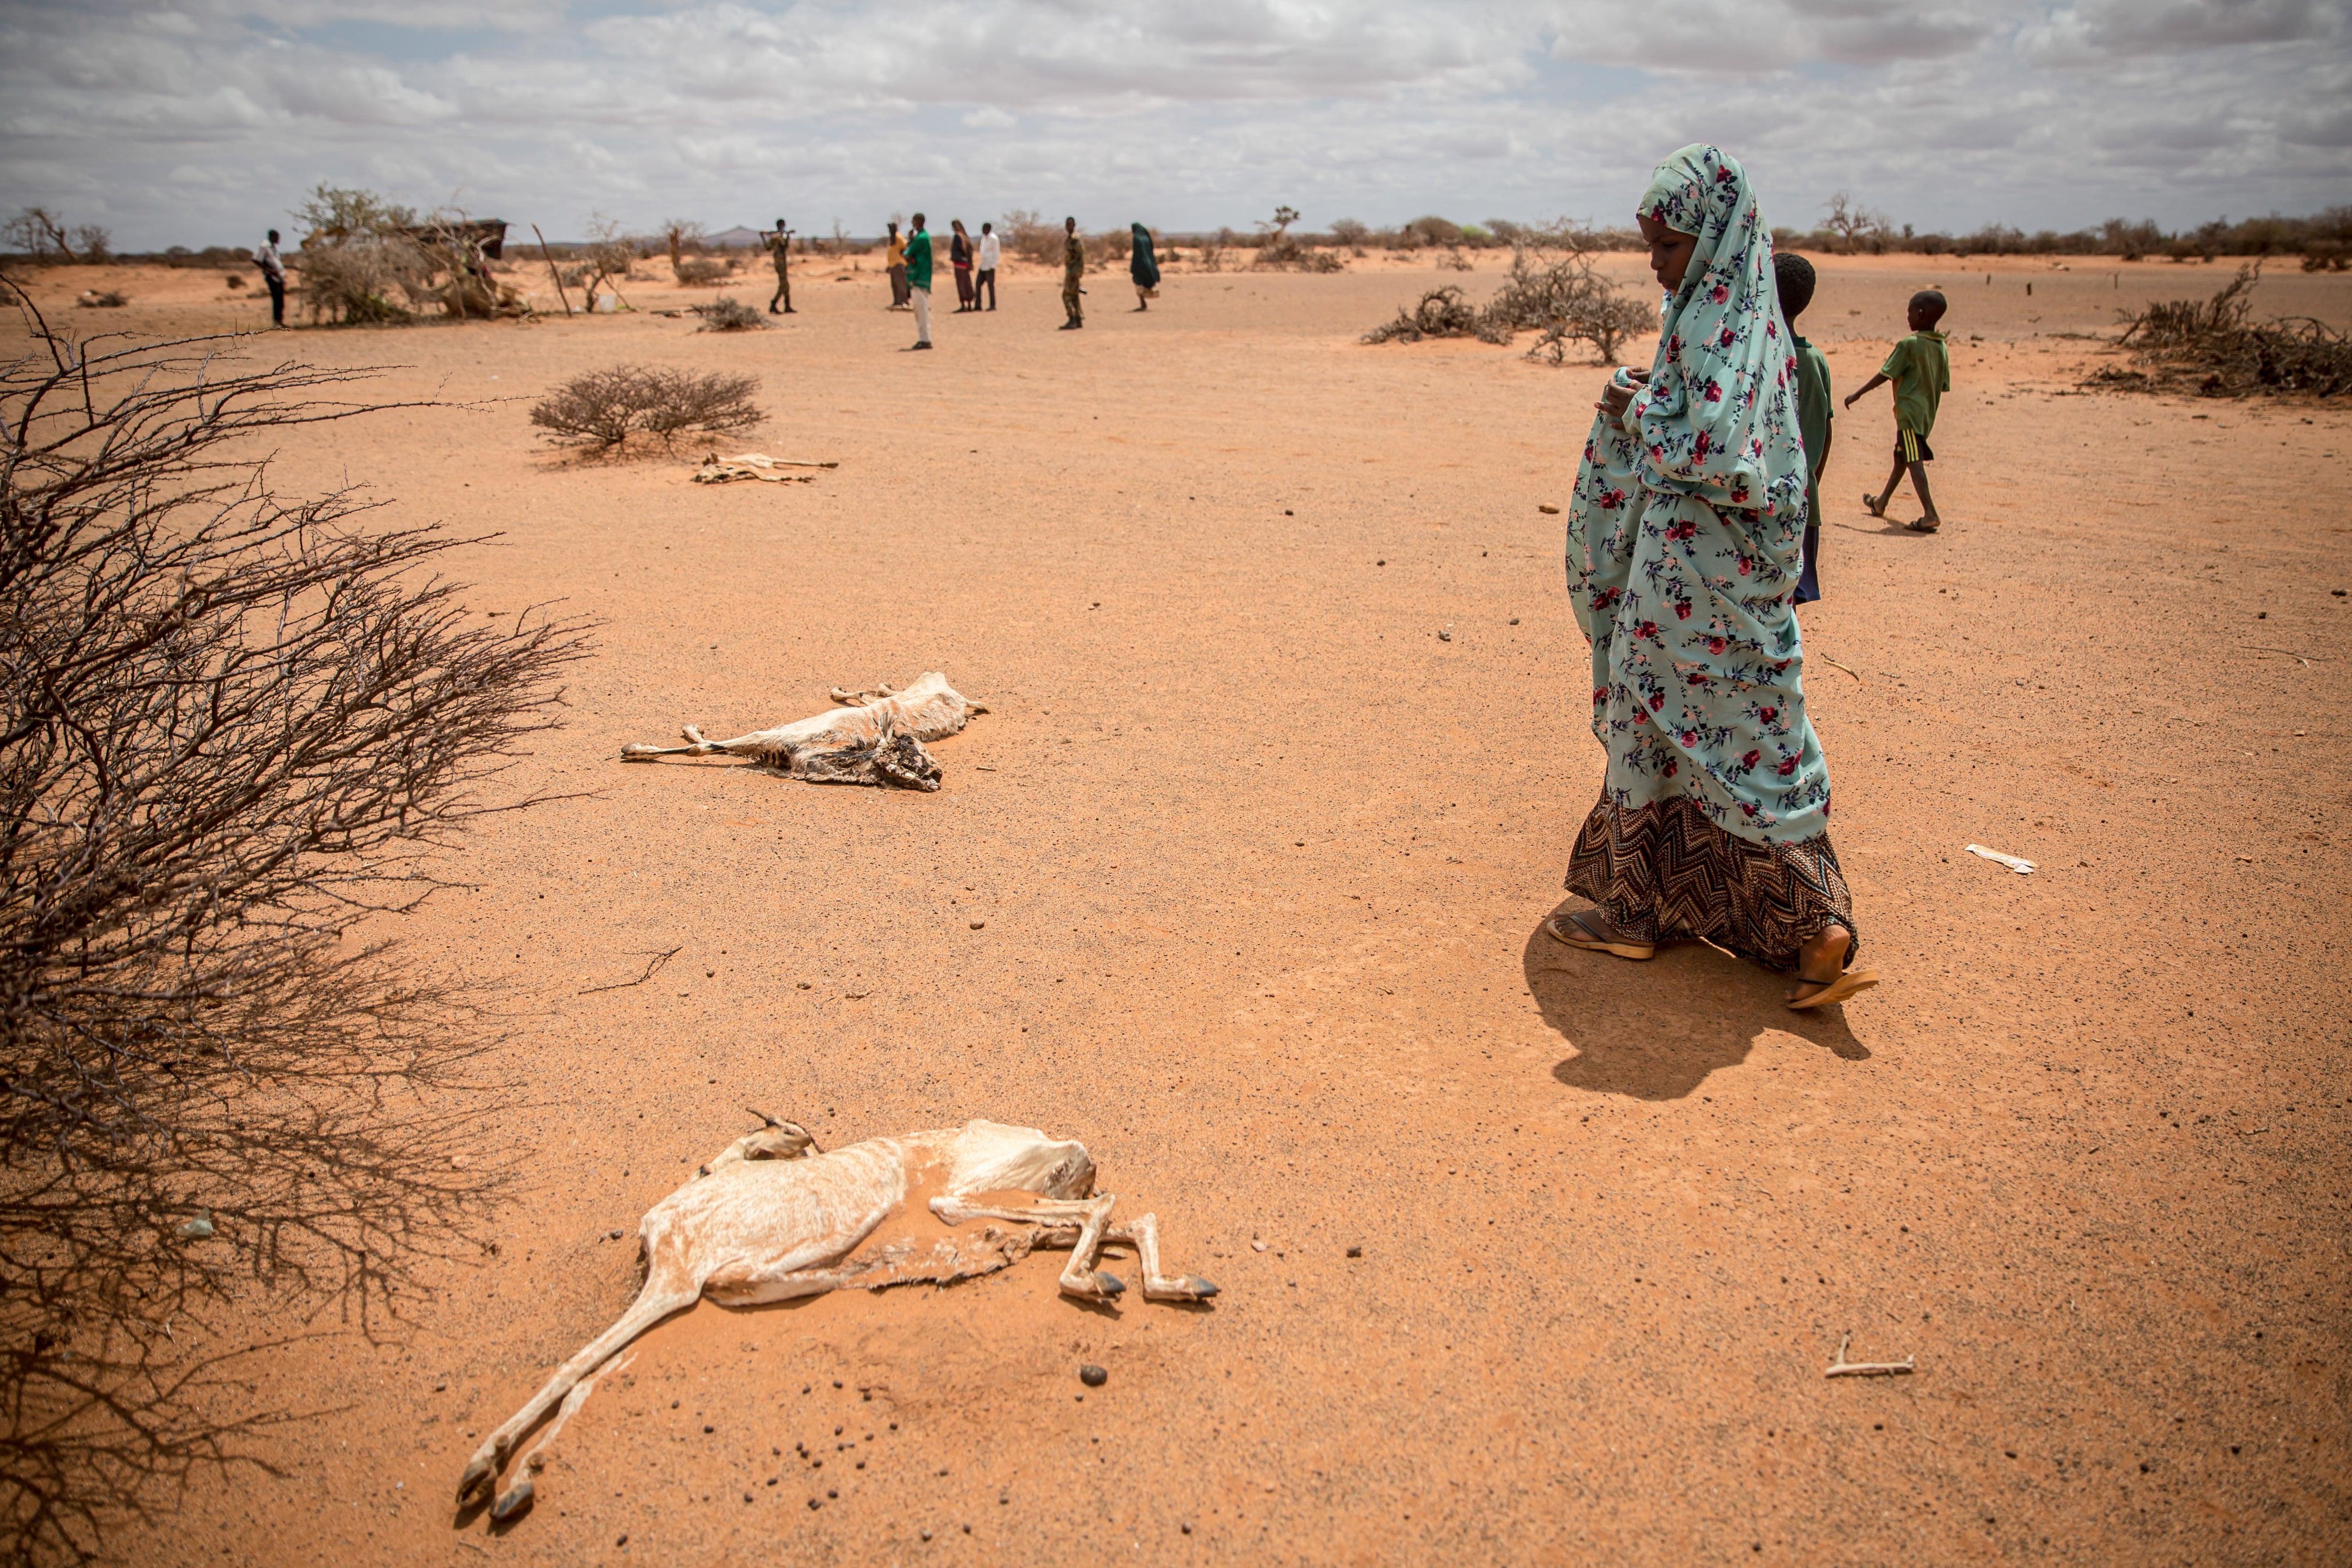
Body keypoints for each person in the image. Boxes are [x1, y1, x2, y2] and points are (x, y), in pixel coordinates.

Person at [1555, 143, 1875, 1011]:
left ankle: (1652, 911)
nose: (1656, 265)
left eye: (1667, 247)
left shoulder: (1716, 326)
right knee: (1746, 738)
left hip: (1693, 583)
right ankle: (1802, 926)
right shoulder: (1748, 325)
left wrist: (1637, 408)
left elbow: (1716, 450)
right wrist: (1653, 392)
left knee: (1671, 726)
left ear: (1715, 238)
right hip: (1722, 584)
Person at [1847, 291, 1950, 533]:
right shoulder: (1941, 346)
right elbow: (1943, 384)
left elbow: (1886, 373)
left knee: (1913, 461)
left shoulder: (1909, 345)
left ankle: (1930, 513)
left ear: (1920, 314)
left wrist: (1858, 393)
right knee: (1902, 457)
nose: (1908, 318)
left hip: (1909, 415)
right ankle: (1881, 502)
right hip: (1926, 415)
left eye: (1910, 313)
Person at [1775, 254, 1831, 604]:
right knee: (1792, 597)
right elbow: (1826, 435)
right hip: (1805, 495)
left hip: (1763, 500)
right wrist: (1811, 483)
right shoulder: (1816, 361)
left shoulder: (1763, 359)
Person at [905, 213, 934, 350]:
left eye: (914, 221)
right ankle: (924, 338)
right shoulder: (922, 237)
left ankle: (925, 339)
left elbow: (907, 254)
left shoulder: (921, 238)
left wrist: (910, 250)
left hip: (919, 276)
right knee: (920, 310)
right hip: (921, 277)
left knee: (921, 310)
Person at [253, 227, 286, 326]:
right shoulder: (264, 246)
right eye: (277, 237)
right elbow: (256, 260)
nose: (279, 239)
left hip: (279, 277)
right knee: (276, 299)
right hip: (272, 277)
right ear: (272, 237)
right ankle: (276, 323)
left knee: (280, 300)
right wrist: (270, 271)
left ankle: (279, 321)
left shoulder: (273, 248)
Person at [765, 217, 795, 315]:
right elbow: (785, 246)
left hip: (780, 262)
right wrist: (788, 237)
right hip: (780, 263)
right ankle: (774, 304)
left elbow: (768, 247)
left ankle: (787, 306)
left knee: (786, 285)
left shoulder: (775, 236)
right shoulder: (778, 236)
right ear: (781, 225)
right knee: (784, 285)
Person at [1060, 216, 1085, 330]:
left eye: (1070, 225)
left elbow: (1080, 257)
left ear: (1074, 225)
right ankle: (1078, 320)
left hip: (1073, 272)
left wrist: (1077, 272)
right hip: (1071, 270)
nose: (1068, 227)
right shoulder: (1070, 238)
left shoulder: (1075, 238)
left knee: (1066, 295)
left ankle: (1072, 319)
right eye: (1067, 225)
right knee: (1074, 296)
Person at [1129, 222, 1160, 311]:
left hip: (1140, 264)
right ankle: (1144, 303)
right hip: (1150, 264)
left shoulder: (1137, 238)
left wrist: (1134, 266)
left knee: (1139, 283)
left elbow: (1137, 253)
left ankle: (1143, 303)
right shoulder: (1146, 238)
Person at [950, 219, 976, 312]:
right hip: (966, 263)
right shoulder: (965, 237)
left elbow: (963, 249)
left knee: (961, 283)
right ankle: (969, 304)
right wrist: (969, 262)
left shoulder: (958, 237)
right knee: (967, 283)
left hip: (959, 263)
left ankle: (964, 305)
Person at [885, 221, 910, 310]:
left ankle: (904, 301)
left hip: (899, 264)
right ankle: (897, 301)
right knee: (894, 284)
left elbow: (906, 246)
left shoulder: (899, 237)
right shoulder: (892, 238)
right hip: (892, 264)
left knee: (901, 284)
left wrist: (903, 254)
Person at [975, 222, 1000, 310]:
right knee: (978, 284)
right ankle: (978, 305)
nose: (983, 231)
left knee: (990, 286)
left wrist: (993, 265)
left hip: (990, 266)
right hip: (982, 266)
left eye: (985, 229)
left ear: (989, 229)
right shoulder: (984, 239)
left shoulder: (994, 239)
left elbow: (996, 253)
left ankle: (992, 305)